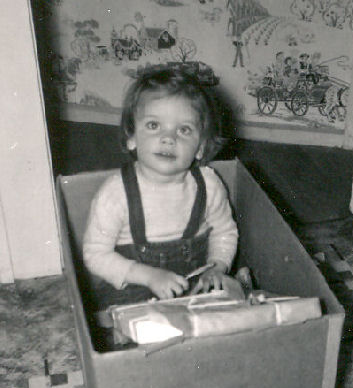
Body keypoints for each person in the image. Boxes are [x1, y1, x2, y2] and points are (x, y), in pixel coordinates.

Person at [83, 66, 238, 309]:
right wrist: (150, 276)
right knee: (128, 322)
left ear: (200, 148)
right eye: (154, 125)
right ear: (131, 137)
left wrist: (218, 266)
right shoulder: (116, 194)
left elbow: (224, 232)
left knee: (227, 309)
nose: (169, 138)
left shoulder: (208, 184)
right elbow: (95, 255)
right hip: (135, 285)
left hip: (193, 280)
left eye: (184, 130)